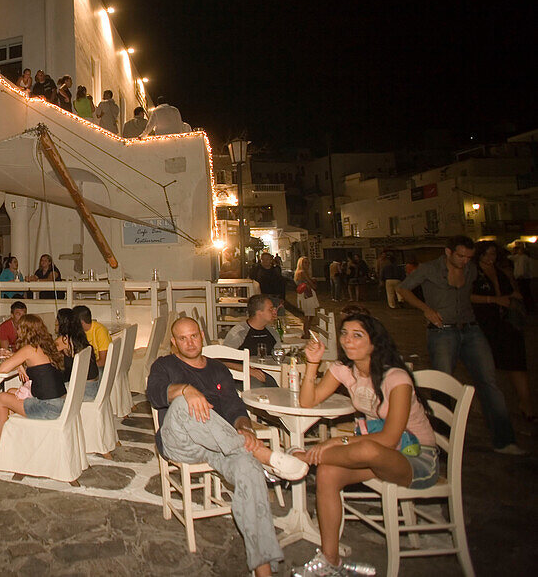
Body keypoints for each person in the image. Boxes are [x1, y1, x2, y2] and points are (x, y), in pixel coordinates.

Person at [147, 317, 304, 577]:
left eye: (194, 336)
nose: (189, 342)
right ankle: (265, 456)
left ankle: (262, 567)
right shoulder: (164, 365)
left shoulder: (218, 369)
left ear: (202, 335)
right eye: (183, 338)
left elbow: (234, 407)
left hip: (221, 446)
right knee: (185, 402)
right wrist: (186, 390)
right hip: (180, 442)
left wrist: (245, 428)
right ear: (174, 342)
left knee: (249, 470)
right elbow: (154, 395)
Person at [292, 313, 438, 576]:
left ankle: (297, 459)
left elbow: (390, 439)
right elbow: (307, 402)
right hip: (379, 455)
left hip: (415, 457)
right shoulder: (345, 369)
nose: (348, 340)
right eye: (345, 333)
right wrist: (312, 363)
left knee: (367, 448)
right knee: (327, 472)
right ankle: (330, 561)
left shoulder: (396, 378)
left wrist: (339, 440)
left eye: (357, 335)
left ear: (375, 342)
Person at [397, 235, 522, 454]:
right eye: (461, 256)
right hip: (442, 332)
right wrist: (426, 309)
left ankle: (504, 440)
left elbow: (470, 294)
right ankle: (441, 445)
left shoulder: (471, 270)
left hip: (471, 328)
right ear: (448, 252)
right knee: (442, 385)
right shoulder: (429, 269)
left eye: (468, 257)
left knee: (489, 382)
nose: (465, 261)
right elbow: (404, 289)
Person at [471, 241, 533, 421]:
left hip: (508, 323)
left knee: (517, 364)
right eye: (487, 254)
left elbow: (514, 291)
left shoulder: (502, 272)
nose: (491, 258)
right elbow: (466, 296)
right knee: (486, 367)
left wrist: (513, 297)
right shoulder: (473, 273)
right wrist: (494, 299)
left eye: (493, 254)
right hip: (486, 324)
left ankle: (526, 404)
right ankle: (490, 406)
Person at [0, 314, 67, 449]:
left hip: (46, 408)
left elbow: (3, 368)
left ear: (24, 331)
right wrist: (18, 362)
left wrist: (17, 361)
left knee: (2, 398)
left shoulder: (29, 349)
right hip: (59, 403)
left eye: (18, 329)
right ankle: (11, 434)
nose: (16, 331)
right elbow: (35, 362)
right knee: (12, 392)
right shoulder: (47, 347)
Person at [221, 294, 281, 388]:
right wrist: (249, 370)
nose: (275, 312)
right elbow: (222, 360)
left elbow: (278, 357)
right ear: (259, 312)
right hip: (241, 377)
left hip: (266, 373)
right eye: (270, 309)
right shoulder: (239, 333)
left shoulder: (272, 333)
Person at [57, 308, 99, 400]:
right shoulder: (80, 337)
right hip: (93, 386)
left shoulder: (65, 340)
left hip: (85, 391)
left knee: (51, 392)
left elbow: (44, 353)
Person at [508, 242, 535, 313]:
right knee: (526, 293)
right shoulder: (518, 257)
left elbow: (523, 269)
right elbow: (510, 257)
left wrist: (521, 275)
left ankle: (529, 309)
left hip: (523, 278)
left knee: (525, 293)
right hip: (522, 278)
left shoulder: (523, 258)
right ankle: (529, 308)